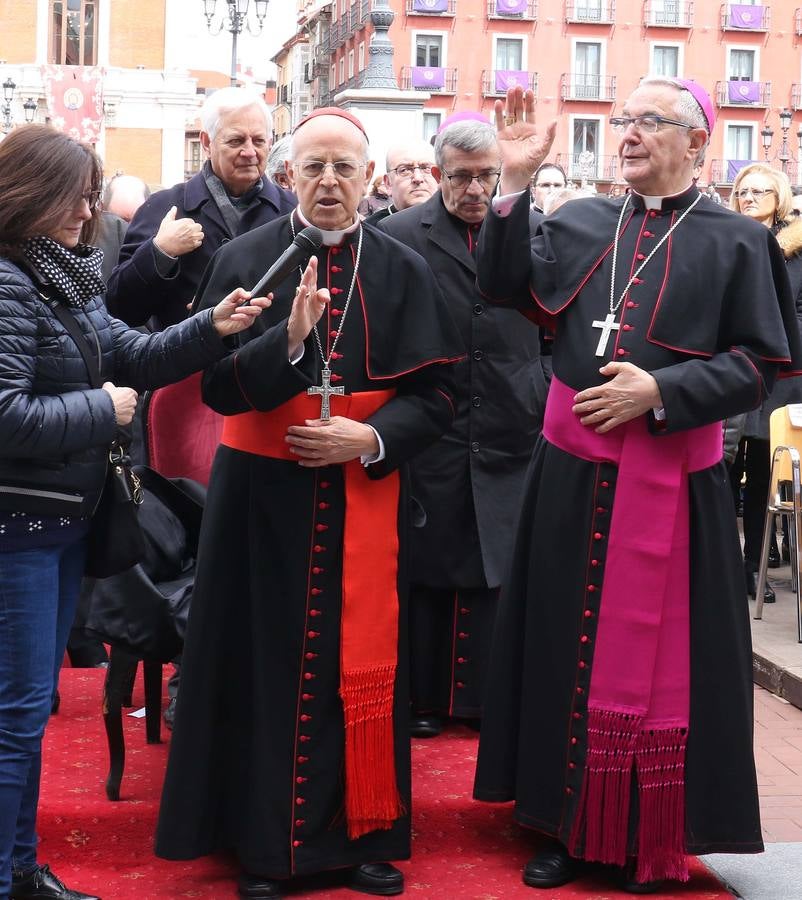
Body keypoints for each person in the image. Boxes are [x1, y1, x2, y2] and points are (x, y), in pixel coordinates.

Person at [472, 79, 802, 893]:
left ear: (697, 143)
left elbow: (761, 365)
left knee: (666, 662)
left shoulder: (736, 241)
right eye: (625, 120)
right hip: (571, 474)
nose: (629, 134)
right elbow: (503, 286)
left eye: (651, 122)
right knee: (559, 642)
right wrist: (514, 183)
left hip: (671, 482)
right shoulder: (583, 220)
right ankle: (557, 819)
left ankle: (643, 826)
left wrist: (661, 393)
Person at [154, 107, 464, 900]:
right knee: (261, 666)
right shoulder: (244, 258)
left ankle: (361, 838)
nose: (329, 183)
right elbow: (216, 385)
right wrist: (286, 346)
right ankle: (266, 848)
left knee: (360, 668)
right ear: (290, 177)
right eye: (314, 168)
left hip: (364, 491)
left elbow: (440, 392)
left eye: (345, 169)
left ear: (370, 179)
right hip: (262, 502)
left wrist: (372, 440)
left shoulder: (403, 267)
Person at [0, 124, 269, 900]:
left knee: (21, 717)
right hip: (17, 530)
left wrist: (213, 326)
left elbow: (136, 353)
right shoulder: (10, 282)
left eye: (91, 197)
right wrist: (103, 409)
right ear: (30, 196)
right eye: (76, 198)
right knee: (15, 716)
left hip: (55, 524)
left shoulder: (57, 276)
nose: (89, 214)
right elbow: (6, 413)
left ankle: (20, 869)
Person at [377, 118, 547, 737]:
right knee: (430, 560)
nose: (473, 190)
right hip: (435, 421)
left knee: (498, 559)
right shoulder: (398, 234)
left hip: (511, 416)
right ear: (437, 173)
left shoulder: (530, 229)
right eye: (460, 177)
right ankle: (423, 700)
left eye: (485, 177)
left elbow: (558, 322)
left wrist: (544, 385)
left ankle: (485, 700)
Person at [106, 87, 296, 329]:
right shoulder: (164, 208)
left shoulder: (292, 212)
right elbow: (121, 308)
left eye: (259, 141)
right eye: (236, 141)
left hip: (269, 364)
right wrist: (159, 252)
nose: (250, 152)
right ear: (207, 142)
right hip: (188, 363)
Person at [729, 163, 802, 601]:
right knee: (720, 473)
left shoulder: (796, 252)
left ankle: (753, 569)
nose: (749, 198)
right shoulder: (725, 242)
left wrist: (772, 333)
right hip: (725, 373)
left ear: (779, 199)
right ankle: (723, 564)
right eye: (742, 191)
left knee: (762, 478)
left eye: (759, 191)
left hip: (779, 379)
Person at [363, 139, 438, 225]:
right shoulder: (372, 231)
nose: (418, 178)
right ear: (388, 183)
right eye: (404, 170)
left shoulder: (454, 222)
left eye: (426, 168)